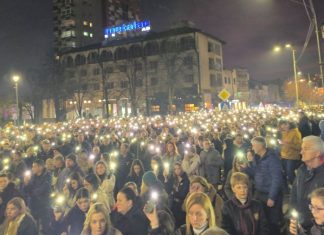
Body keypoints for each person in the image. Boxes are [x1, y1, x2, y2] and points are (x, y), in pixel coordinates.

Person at [243, 136, 284, 234]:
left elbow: (276, 179)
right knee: (262, 219)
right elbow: (256, 173)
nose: (252, 148)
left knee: (273, 221)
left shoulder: (272, 159)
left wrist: (272, 197)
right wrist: (246, 168)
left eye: (253, 146)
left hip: (269, 194)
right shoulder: (257, 158)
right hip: (259, 193)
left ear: (260, 146)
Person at [290, 135, 324, 232]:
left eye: (306, 149)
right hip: (301, 224)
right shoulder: (302, 170)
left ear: (317, 153)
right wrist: (293, 217)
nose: (301, 152)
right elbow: (294, 194)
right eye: (302, 148)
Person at [23, 159, 52, 234]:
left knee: (45, 228)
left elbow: (42, 190)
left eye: (34, 166)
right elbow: (26, 191)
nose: (32, 169)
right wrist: (26, 183)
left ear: (40, 167)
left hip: (44, 206)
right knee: (33, 227)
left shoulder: (47, 175)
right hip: (34, 205)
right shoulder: (33, 177)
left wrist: (31, 192)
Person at [279, 120, 302, 185]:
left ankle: (296, 186)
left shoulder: (296, 133)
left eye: (285, 127)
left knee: (290, 173)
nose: (284, 129)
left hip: (292, 157)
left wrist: (286, 144)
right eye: (282, 128)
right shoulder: (284, 133)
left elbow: (298, 147)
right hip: (284, 156)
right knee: (284, 172)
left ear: (288, 125)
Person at [169, 162, 190, 229]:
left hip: (181, 205)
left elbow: (183, 194)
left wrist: (174, 192)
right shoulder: (173, 179)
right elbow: (168, 190)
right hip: (173, 204)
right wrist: (166, 179)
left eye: (178, 168)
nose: (177, 170)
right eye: (175, 169)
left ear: (181, 169)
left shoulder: (185, 180)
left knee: (180, 224)